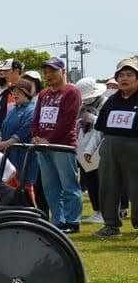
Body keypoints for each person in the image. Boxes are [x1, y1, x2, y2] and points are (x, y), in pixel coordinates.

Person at [32, 58, 83, 233]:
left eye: (52, 71)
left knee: (69, 185)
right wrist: (36, 136)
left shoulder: (72, 92)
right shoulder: (44, 94)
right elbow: (36, 117)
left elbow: (67, 120)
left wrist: (49, 139)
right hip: (43, 147)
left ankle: (72, 221)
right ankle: (58, 221)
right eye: (46, 72)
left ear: (62, 71)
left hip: (63, 146)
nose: (48, 75)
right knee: (50, 186)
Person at [93, 58, 138, 238]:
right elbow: (101, 126)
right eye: (121, 75)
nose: (124, 79)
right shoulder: (111, 100)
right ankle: (110, 225)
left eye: (129, 75)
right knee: (108, 186)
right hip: (110, 145)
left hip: (135, 147)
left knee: (136, 188)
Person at [74, 78, 108, 224]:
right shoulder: (81, 107)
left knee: (102, 181)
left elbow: (106, 123)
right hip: (83, 146)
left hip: (100, 145)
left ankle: (106, 211)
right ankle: (97, 210)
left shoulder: (105, 103)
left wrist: (93, 118)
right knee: (90, 180)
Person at [0, 78, 38, 194]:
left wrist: (5, 143)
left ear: (27, 93)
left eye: (18, 91)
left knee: (24, 191)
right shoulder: (13, 110)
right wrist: (0, 141)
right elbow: (4, 128)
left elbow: (24, 131)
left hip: (23, 157)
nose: (14, 94)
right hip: (9, 157)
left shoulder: (32, 110)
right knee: (8, 191)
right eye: (13, 91)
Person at [0, 58, 23, 142]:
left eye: (7, 71)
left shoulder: (23, 90)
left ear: (16, 71)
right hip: (1, 138)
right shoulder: (9, 91)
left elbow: (18, 116)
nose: (4, 74)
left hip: (16, 139)